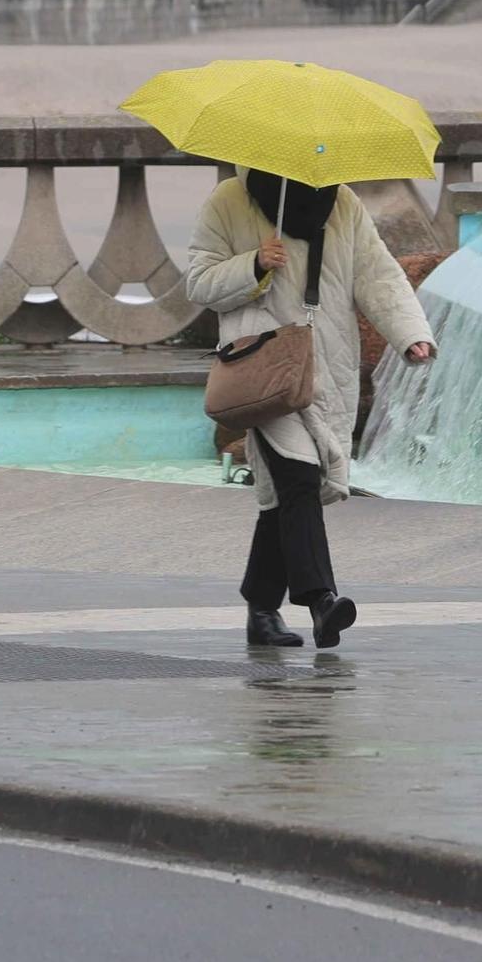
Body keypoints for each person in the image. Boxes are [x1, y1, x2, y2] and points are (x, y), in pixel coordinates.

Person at [186, 170, 436, 649]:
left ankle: (261, 610)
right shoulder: (230, 201)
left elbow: (377, 273)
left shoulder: (340, 202)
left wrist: (411, 333)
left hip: (327, 367)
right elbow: (198, 284)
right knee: (299, 476)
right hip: (265, 369)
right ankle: (322, 600)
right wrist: (254, 265)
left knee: (286, 495)